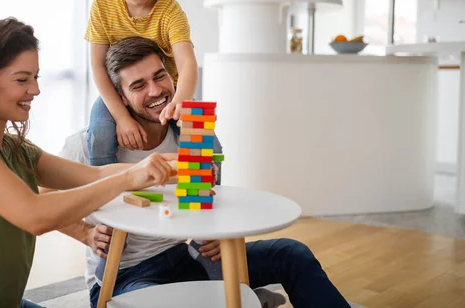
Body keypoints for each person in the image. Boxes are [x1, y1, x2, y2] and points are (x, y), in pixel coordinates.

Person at [0, 18, 177, 308]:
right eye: (22, 79)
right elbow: (34, 215)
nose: (35, 90)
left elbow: (92, 174)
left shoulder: (11, 146)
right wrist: (127, 180)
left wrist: (169, 166)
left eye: (36, 78)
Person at [59, 38, 352, 308]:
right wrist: (85, 232)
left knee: (292, 254)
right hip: (126, 275)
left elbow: (210, 196)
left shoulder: (188, 133)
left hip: (184, 257)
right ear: (120, 97)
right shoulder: (84, 146)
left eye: (159, 76)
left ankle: (236, 293)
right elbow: (40, 195)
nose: (156, 90)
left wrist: (214, 231)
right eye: (138, 85)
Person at [85, 0, 221, 166]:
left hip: (171, 96)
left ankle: (210, 199)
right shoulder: (102, 7)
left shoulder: (171, 11)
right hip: (119, 97)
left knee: (211, 145)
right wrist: (122, 117)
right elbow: (97, 66)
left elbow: (187, 64)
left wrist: (180, 102)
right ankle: (107, 199)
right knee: (101, 137)